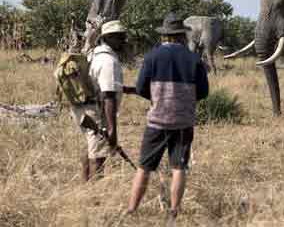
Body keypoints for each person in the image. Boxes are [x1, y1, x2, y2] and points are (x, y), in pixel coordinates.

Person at [127, 13, 209, 224]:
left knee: (144, 167)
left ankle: (131, 211)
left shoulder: (152, 57)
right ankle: (174, 212)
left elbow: (140, 88)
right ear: (182, 36)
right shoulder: (194, 59)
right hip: (183, 123)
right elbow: (203, 92)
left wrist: (157, 99)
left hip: (156, 121)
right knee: (179, 168)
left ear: (164, 35)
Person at [71, 20, 135, 182]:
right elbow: (108, 96)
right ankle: (94, 194)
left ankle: (86, 187)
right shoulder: (109, 61)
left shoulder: (96, 55)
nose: (123, 41)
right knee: (98, 155)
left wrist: (129, 89)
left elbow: (102, 85)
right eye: (120, 38)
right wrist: (112, 129)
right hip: (96, 112)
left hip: (85, 110)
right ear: (109, 38)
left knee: (92, 149)